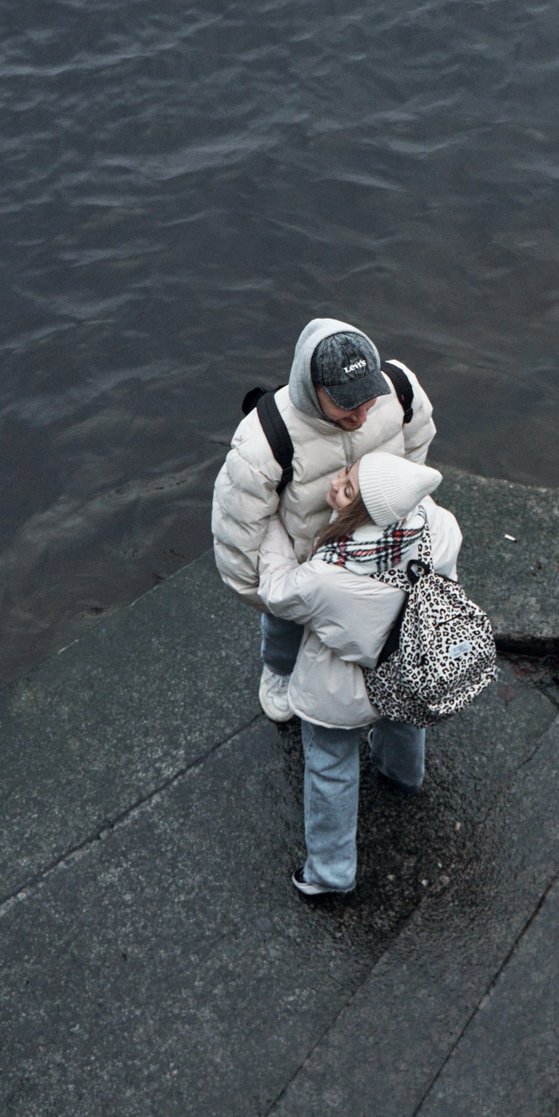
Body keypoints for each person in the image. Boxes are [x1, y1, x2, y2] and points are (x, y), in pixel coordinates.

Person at [256, 451, 462, 898]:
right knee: (404, 718)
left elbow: (277, 591)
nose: (334, 483)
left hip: (343, 691)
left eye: (347, 488)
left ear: (360, 514)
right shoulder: (438, 525)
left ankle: (329, 875)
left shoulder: (329, 576)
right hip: (411, 664)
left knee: (331, 767)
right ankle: (401, 776)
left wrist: (274, 524)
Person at [211, 317, 436, 722]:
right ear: (312, 391)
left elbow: (417, 444)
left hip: (369, 550)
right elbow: (237, 536)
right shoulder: (263, 440)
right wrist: (279, 598)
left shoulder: (400, 388)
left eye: (369, 400)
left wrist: (388, 505)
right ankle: (279, 672)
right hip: (301, 561)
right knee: (284, 630)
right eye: (346, 405)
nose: (362, 417)